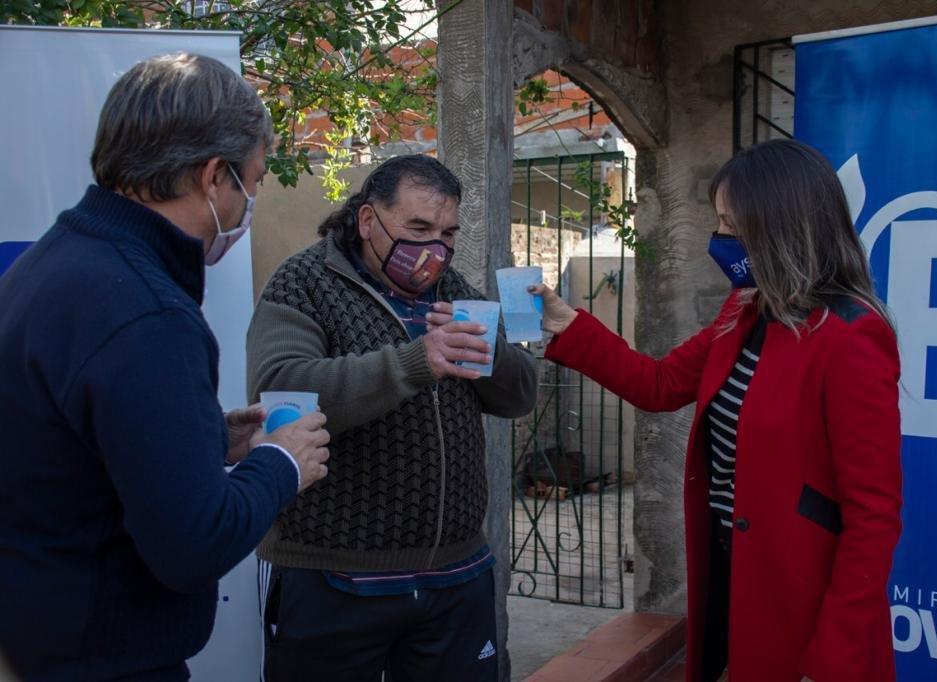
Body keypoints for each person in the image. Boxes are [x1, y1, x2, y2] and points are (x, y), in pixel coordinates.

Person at [0, 53, 331, 681]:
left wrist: (208, 439)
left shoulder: (56, 264)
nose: (249, 206)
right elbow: (193, 544)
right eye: (253, 183)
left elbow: (77, 448)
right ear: (213, 176)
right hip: (100, 662)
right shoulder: (147, 312)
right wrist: (280, 464)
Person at [531, 139, 902, 682]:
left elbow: (873, 517)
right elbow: (660, 384)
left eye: (731, 224)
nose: (719, 238)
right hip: (733, 575)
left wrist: (834, 660)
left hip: (802, 597)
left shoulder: (850, 335)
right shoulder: (746, 310)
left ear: (781, 228)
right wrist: (571, 326)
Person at [247, 154, 538, 682]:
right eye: (418, 229)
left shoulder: (453, 289)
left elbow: (519, 398)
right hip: (335, 580)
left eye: (447, 234)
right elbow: (282, 392)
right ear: (367, 220)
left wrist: (491, 355)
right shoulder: (303, 283)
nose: (435, 250)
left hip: (456, 576)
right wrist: (415, 362)